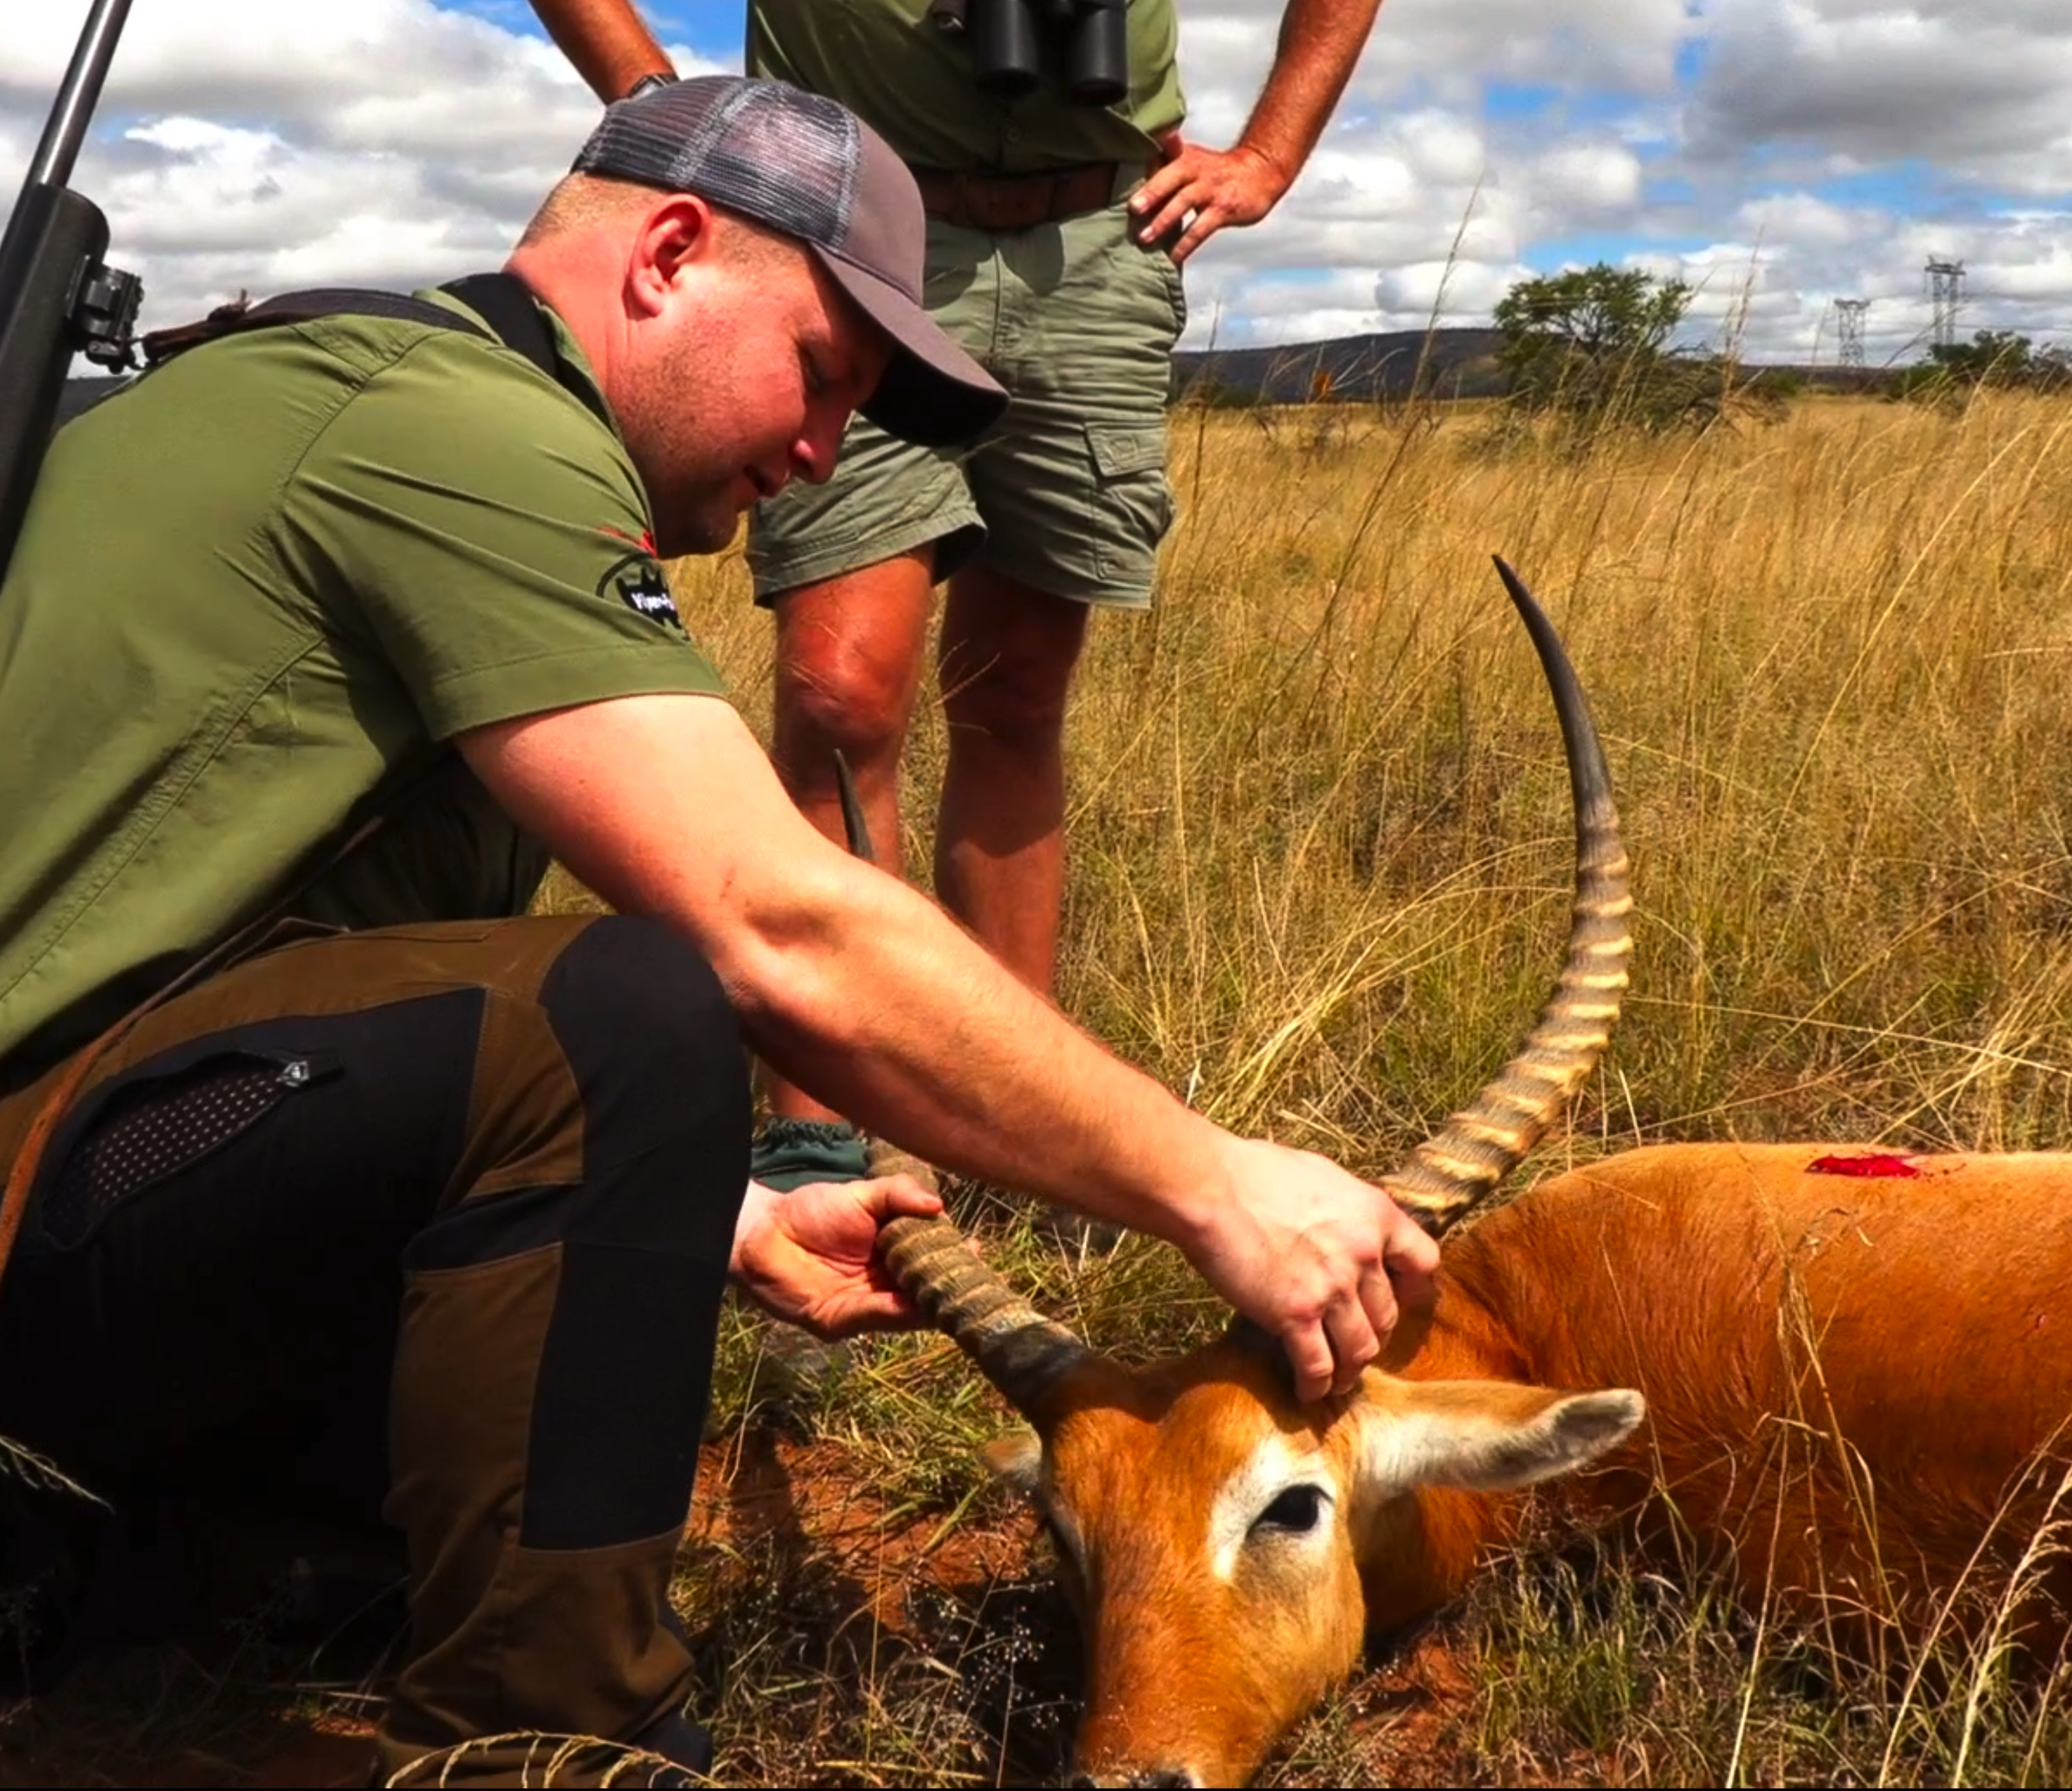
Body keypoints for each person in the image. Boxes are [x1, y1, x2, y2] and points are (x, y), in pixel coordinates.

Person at [0, 75, 1435, 1788]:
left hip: (104, 1174)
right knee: (628, 996)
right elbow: (779, 930)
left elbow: (310, 981)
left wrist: (713, 1201)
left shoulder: (356, 388)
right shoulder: (458, 427)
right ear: (670, 251)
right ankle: (545, 1736)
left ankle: (201, 1550)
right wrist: (1219, 1182)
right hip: (45, 1189)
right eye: (823, 368)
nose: (824, 447)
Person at [530, 0, 1389, 1190]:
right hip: (844, 233)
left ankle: (1013, 1122)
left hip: (1099, 233)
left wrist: (1268, 156)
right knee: (838, 700)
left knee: (1018, 692)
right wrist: (645, 89)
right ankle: (818, 1138)